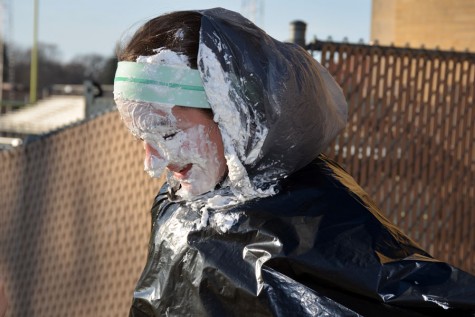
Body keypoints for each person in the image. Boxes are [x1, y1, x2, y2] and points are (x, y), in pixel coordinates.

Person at [114, 8, 475, 317]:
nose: (152, 161)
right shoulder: (176, 203)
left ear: (237, 115)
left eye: (168, 133)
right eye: (140, 138)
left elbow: (412, 293)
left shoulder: (311, 220)